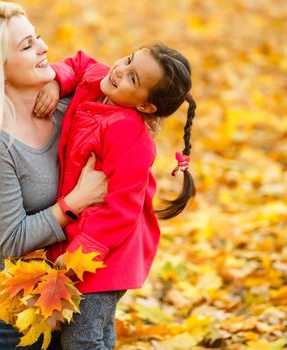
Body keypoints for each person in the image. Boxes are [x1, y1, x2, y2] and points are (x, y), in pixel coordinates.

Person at [0, 2, 108, 349]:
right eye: (26, 45)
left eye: (37, 37)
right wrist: (77, 201)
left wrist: (61, 79)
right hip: (9, 301)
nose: (44, 48)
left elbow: (114, 77)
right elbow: (13, 239)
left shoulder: (68, 108)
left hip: (69, 289)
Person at [36, 45, 197, 349]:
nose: (120, 70)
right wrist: (56, 79)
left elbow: (121, 211)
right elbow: (80, 62)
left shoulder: (131, 137)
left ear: (147, 106)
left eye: (133, 78)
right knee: (96, 334)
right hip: (82, 238)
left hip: (107, 256)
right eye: (127, 59)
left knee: (82, 339)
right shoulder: (100, 81)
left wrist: (79, 255)